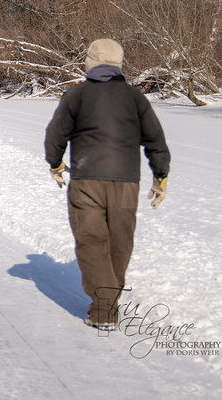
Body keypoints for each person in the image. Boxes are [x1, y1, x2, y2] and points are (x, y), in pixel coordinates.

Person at [44, 38, 170, 331]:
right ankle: (109, 302)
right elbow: (155, 138)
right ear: (119, 63)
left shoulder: (77, 95)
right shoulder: (134, 97)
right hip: (126, 182)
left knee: (92, 242)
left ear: (89, 62)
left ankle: (103, 310)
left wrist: (55, 164)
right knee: (120, 241)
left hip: (87, 179)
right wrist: (160, 175)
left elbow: (56, 134)